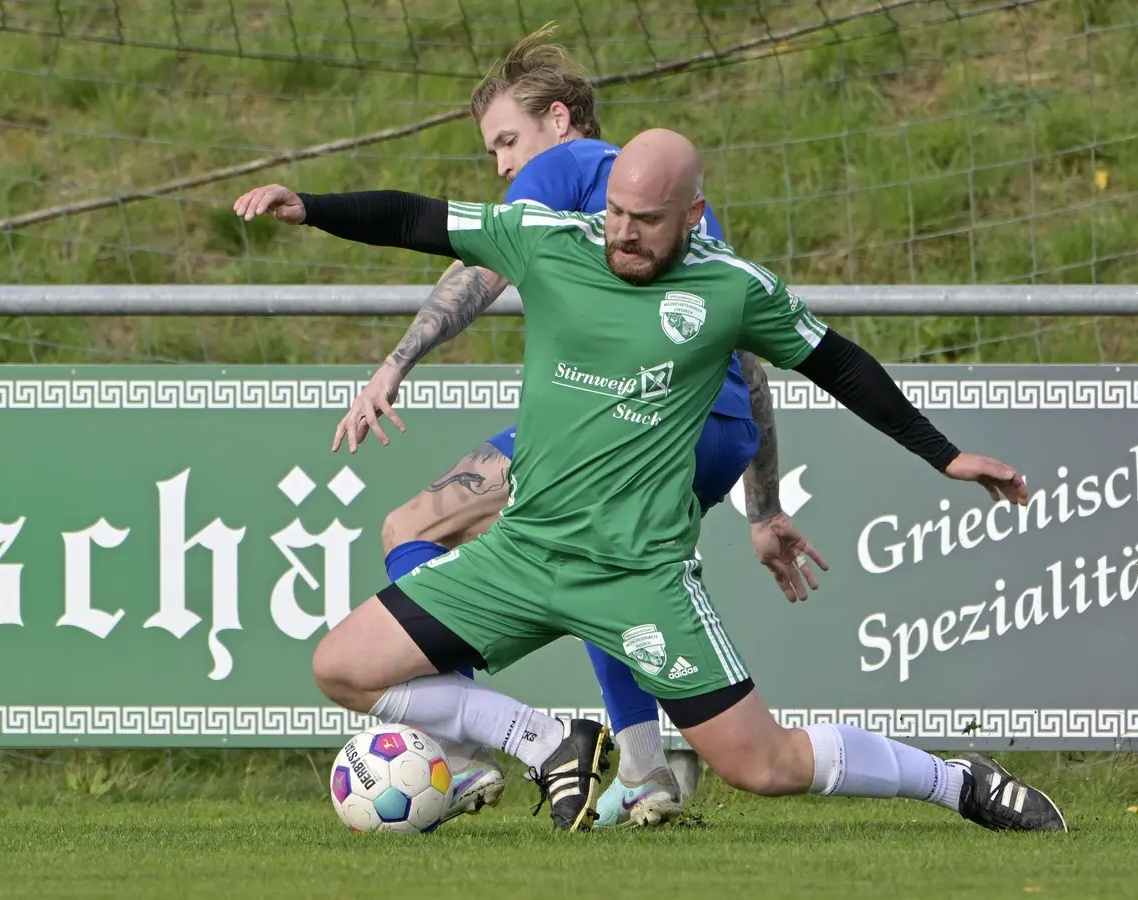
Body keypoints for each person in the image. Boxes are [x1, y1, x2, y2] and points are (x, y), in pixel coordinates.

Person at [233, 128, 1068, 836]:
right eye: (617, 214)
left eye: (647, 221)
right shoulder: (548, 240)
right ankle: (544, 740)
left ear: (693, 216)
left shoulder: (731, 289)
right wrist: (311, 206)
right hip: (522, 555)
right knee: (343, 667)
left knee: (765, 766)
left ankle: (957, 781)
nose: (624, 235)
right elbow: (418, 218)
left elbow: (839, 363)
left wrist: (943, 455)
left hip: (639, 578)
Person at [237, 28, 824, 830]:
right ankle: (641, 770)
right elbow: (747, 359)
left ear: (558, 120)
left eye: (506, 141)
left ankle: (487, 742)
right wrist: (763, 504)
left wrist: (395, 363)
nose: (502, 166)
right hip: (713, 436)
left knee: (414, 527)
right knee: (601, 571)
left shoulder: (575, 171)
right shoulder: (665, 209)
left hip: (628, 428)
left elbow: (478, 267)